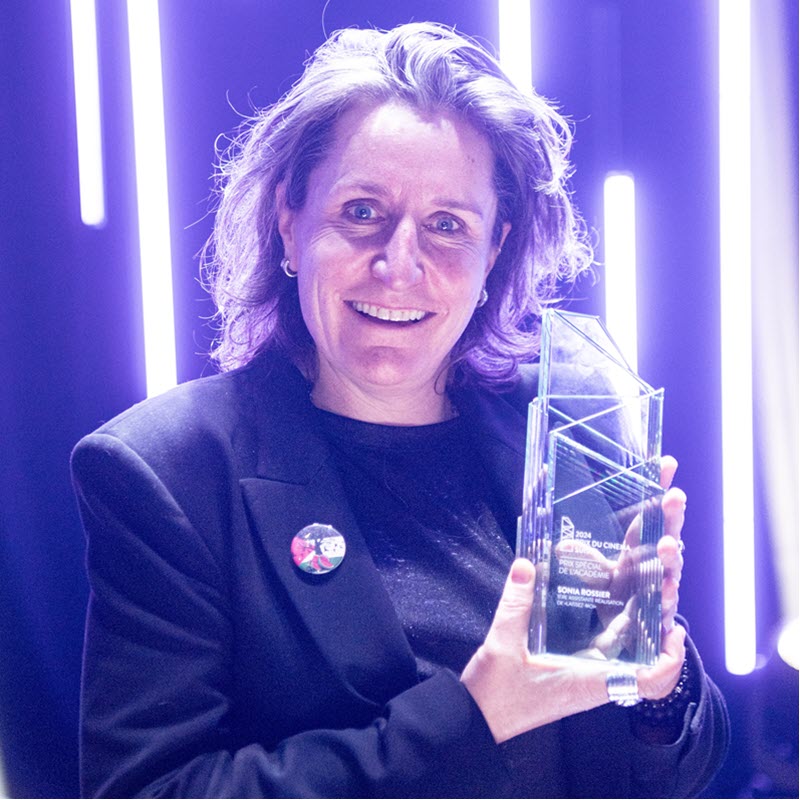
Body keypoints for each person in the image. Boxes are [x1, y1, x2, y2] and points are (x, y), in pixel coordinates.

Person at [71, 21, 729, 798]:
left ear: (494, 252)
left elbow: (669, 770)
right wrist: (474, 717)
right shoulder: (170, 472)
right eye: (361, 212)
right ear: (289, 223)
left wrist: (659, 683)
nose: (398, 264)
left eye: (448, 226)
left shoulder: (570, 421)